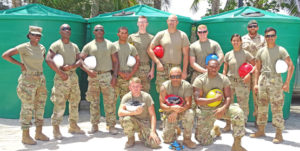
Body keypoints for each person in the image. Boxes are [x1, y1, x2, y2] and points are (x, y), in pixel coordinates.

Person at [2, 26, 49, 145]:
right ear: (29, 35)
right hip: (28, 80)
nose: (37, 37)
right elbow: (5, 55)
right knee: (27, 108)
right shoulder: (24, 47)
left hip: (40, 79)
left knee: (40, 106)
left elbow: (41, 60)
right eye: (34, 35)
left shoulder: (42, 48)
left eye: (39, 35)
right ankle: (25, 136)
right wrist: (20, 64)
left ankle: (39, 133)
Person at [250, 27, 294, 144]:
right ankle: (261, 130)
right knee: (262, 107)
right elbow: (257, 69)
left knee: (277, 108)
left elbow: (291, 66)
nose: (270, 38)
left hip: (276, 81)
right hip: (263, 81)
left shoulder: (281, 50)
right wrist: (255, 84)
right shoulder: (261, 51)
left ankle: (279, 134)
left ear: (276, 36)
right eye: (268, 36)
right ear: (265, 37)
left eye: (272, 35)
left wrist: (287, 83)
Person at [193, 59, 246, 151]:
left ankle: (237, 145)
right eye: (211, 67)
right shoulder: (200, 80)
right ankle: (215, 131)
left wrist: (223, 108)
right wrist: (215, 99)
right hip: (205, 109)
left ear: (219, 67)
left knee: (238, 112)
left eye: (216, 67)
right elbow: (197, 100)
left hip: (220, 107)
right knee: (204, 141)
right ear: (207, 67)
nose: (214, 69)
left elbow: (228, 97)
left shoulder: (223, 79)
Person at [46, 24, 84, 140]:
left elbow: (80, 59)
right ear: (60, 31)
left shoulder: (74, 46)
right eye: (64, 29)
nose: (67, 30)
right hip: (61, 78)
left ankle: (73, 125)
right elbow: (48, 59)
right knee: (59, 102)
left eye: (68, 29)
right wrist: (61, 72)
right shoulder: (56, 45)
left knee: (74, 102)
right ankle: (56, 128)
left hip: (73, 76)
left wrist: (72, 66)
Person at [80, 24, 119, 134]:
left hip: (107, 76)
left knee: (109, 102)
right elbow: (80, 60)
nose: (99, 31)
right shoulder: (88, 46)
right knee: (94, 102)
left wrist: (114, 76)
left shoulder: (110, 45)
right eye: (97, 30)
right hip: (93, 77)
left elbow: (116, 62)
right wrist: (88, 71)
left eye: (101, 29)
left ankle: (111, 126)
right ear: (94, 32)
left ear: (104, 32)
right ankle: (94, 125)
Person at [148, 14, 190, 92]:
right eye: (170, 20)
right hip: (162, 68)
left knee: (175, 92)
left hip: (176, 69)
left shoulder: (183, 35)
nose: (172, 22)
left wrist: (184, 71)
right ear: (167, 22)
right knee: (162, 92)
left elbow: (186, 55)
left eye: (174, 20)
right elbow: (149, 49)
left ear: (177, 22)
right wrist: (158, 63)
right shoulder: (161, 34)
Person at [223, 34, 255, 131]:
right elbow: (224, 70)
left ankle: (242, 124)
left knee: (243, 104)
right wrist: (224, 82)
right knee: (228, 103)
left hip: (242, 82)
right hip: (230, 81)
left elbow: (255, 66)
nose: (236, 42)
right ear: (231, 42)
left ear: (241, 42)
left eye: (237, 40)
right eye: (234, 40)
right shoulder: (228, 54)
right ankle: (228, 124)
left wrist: (249, 75)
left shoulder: (246, 54)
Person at [159, 67, 196, 149]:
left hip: (182, 110)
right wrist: (171, 108)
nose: (175, 79)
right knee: (167, 140)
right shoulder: (164, 87)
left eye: (178, 76)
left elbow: (188, 104)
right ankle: (174, 131)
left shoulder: (187, 86)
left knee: (190, 113)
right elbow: (161, 105)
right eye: (173, 76)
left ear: (181, 76)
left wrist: (176, 112)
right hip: (169, 110)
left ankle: (187, 139)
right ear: (169, 77)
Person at [118, 77, 161, 149]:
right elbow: (120, 112)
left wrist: (153, 131)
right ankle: (130, 138)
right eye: (133, 86)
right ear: (129, 88)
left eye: (137, 86)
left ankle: (142, 135)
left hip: (145, 122)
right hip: (133, 121)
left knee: (155, 144)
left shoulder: (147, 97)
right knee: (126, 119)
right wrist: (134, 113)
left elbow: (152, 115)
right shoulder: (127, 97)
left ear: (141, 87)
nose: (135, 88)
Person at [242, 20, 266, 126]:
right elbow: (241, 56)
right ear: (247, 28)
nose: (252, 27)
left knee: (258, 97)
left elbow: (264, 56)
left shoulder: (263, 39)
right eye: (250, 26)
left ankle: (258, 121)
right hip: (245, 72)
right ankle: (243, 120)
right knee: (244, 97)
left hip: (258, 72)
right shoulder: (242, 39)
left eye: (254, 26)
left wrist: (254, 69)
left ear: (257, 27)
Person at [114, 26, 140, 118]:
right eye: (122, 33)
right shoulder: (113, 46)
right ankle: (111, 124)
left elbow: (137, 60)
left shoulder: (131, 47)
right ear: (118, 34)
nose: (124, 35)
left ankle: (126, 122)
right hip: (115, 77)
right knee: (112, 101)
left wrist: (131, 74)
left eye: (125, 33)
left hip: (127, 77)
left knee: (126, 102)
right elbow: (110, 61)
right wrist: (119, 73)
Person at [128, 16, 155, 92]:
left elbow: (153, 56)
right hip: (134, 68)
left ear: (147, 24)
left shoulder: (151, 38)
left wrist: (152, 70)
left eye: (144, 22)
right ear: (137, 24)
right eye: (140, 22)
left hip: (146, 68)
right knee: (134, 91)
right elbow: (128, 53)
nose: (142, 24)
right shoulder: (131, 37)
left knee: (145, 91)